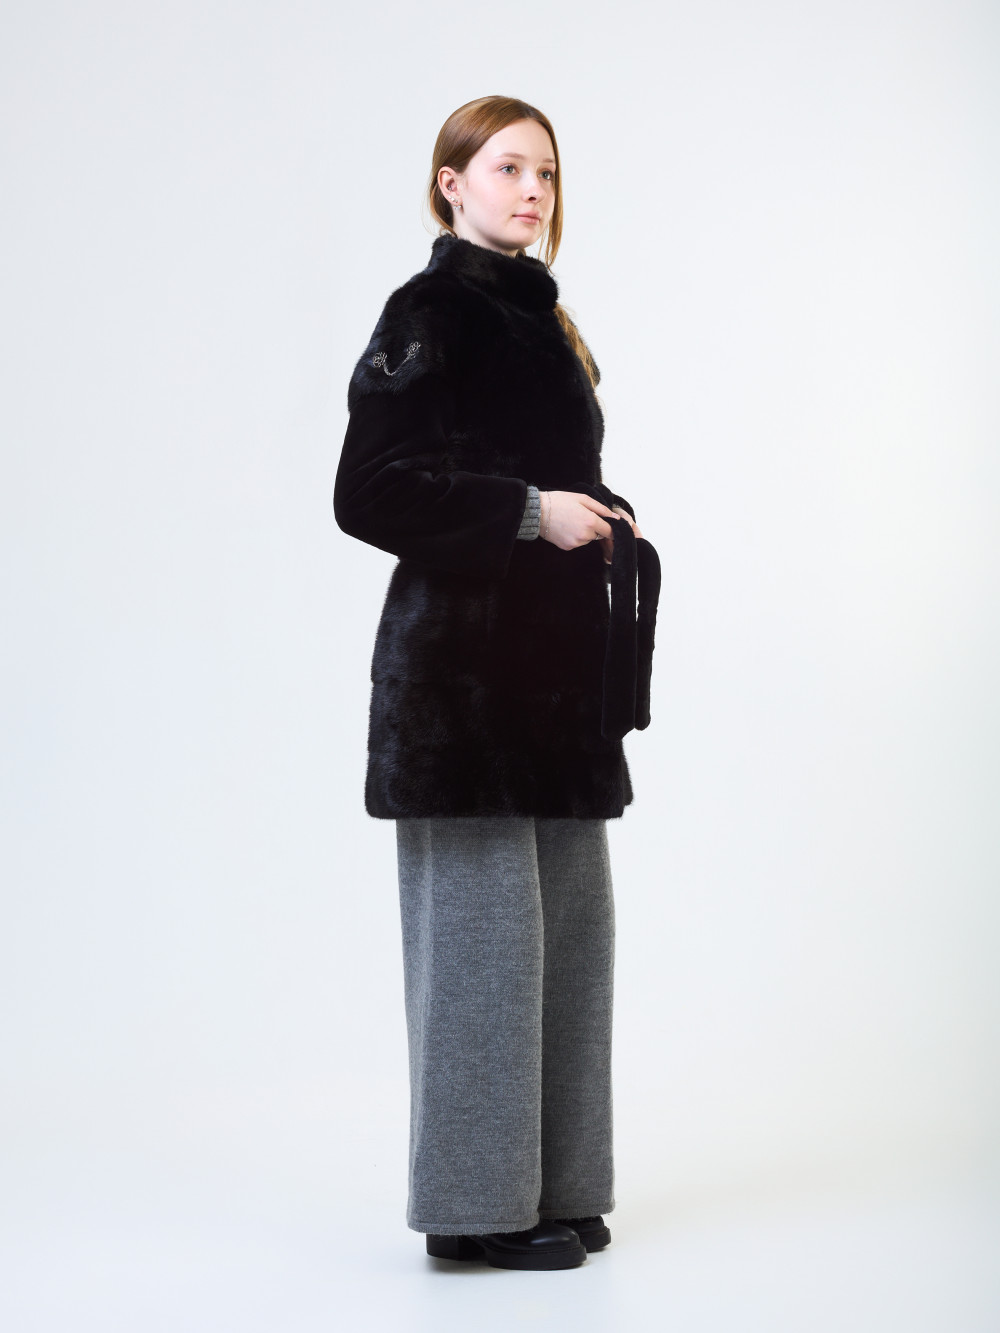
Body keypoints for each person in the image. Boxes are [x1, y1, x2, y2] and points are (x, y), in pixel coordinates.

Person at [333, 95, 660, 1272]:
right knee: (482, 950)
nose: (531, 190)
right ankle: (474, 1207)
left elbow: (550, 475)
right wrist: (531, 514)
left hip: (556, 684)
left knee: (568, 940)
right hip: (461, 691)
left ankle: (555, 1182)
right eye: (508, 168)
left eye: (547, 174)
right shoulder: (427, 313)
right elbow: (368, 492)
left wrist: (599, 516)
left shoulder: (544, 318)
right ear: (451, 184)